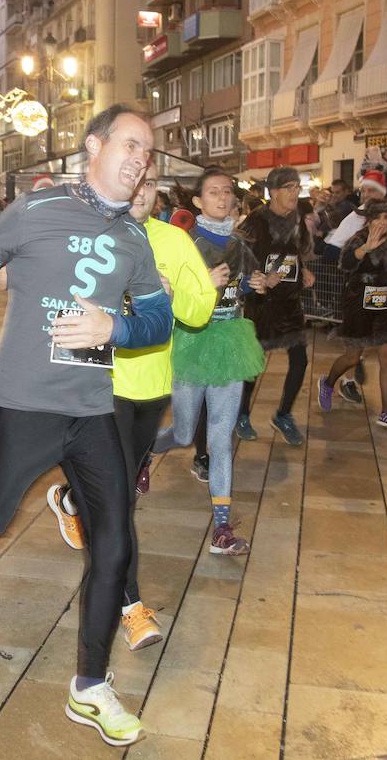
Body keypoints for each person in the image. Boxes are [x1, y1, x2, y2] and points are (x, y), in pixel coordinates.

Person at [0, 105, 172, 747]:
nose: (140, 161)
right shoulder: (35, 210)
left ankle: (90, 686)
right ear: (94, 147)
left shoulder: (135, 238)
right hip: (25, 404)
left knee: (116, 539)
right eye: (130, 145)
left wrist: (116, 329)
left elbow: (159, 321)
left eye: (147, 153)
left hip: (93, 409)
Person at [44, 159, 216, 651]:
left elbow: (200, 310)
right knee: (117, 505)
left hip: (152, 387)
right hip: (98, 386)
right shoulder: (86, 237)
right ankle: (131, 605)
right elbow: (54, 302)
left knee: (117, 492)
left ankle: (72, 499)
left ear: (157, 192)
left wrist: (170, 292)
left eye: (149, 184)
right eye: (132, 180)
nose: (139, 190)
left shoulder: (173, 241)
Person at [150, 167, 267, 557]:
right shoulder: (186, 241)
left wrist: (256, 283)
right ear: (198, 201)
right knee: (184, 435)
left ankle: (221, 527)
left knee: (221, 436)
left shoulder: (239, 241)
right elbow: (165, 291)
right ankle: (144, 453)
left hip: (230, 341)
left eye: (228, 192)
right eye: (213, 192)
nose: (223, 197)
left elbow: (246, 280)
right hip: (192, 341)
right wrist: (202, 283)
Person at [243, 167, 317, 445]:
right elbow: (241, 256)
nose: (295, 193)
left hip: (290, 300)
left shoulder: (298, 220)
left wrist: (304, 269)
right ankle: (242, 413)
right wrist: (260, 276)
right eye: (289, 187)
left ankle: (283, 414)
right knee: (253, 362)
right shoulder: (255, 220)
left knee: (300, 359)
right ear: (273, 192)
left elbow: (295, 252)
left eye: (297, 187)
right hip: (262, 302)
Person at [318, 201, 387, 430]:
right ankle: (327, 383)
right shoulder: (358, 239)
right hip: (359, 302)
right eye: (379, 218)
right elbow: (345, 263)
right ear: (369, 219)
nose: (383, 223)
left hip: (385, 303)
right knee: (353, 357)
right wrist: (366, 247)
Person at [325, 171, 387, 253]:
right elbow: (331, 249)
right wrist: (357, 256)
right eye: (363, 191)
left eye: (371, 190)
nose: (366, 195)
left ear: (382, 193)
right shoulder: (355, 217)